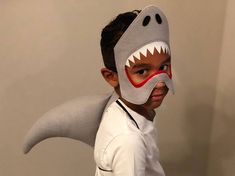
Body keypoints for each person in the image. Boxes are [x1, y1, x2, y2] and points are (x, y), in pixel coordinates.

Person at [94, 5, 174, 176]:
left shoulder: (120, 109)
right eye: (142, 71)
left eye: (163, 67)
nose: (159, 83)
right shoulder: (130, 141)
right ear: (111, 77)